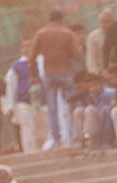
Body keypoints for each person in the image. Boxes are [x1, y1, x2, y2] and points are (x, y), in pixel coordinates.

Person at [32, 8, 84, 149]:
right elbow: (77, 55)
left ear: (49, 20)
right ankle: (74, 136)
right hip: (65, 71)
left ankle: (57, 139)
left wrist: (34, 75)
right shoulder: (68, 34)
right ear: (62, 20)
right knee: (71, 104)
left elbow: (32, 57)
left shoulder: (41, 34)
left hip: (49, 73)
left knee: (52, 108)